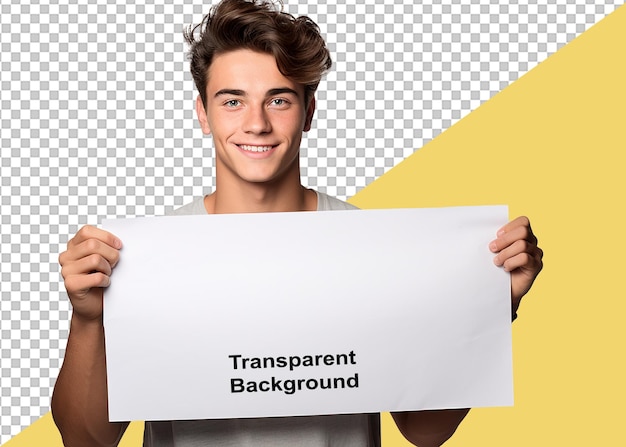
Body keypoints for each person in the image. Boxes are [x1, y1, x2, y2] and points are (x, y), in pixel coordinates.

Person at [51, 1, 544, 446]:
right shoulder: (144, 256)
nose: (257, 123)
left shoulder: (374, 248)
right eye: (232, 100)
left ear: (308, 112)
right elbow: (87, 442)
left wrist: (491, 305)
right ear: (203, 114)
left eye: (279, 100)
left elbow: (423, 430)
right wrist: (89, 318)